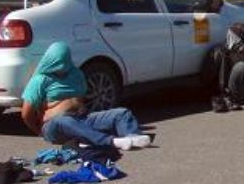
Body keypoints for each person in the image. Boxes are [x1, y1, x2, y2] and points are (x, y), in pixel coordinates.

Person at [20, 42, 150, 151]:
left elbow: (80, 99)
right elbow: (26, 113)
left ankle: (132, 135)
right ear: (50, 61)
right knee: (64, 121)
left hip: (81, 119)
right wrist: (39, 131)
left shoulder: (76, 74)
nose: (61, 66)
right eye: (58, 63)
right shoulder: (40, 80)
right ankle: (110, 142)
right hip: (54, 125)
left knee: (122, 113)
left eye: (64, 62)